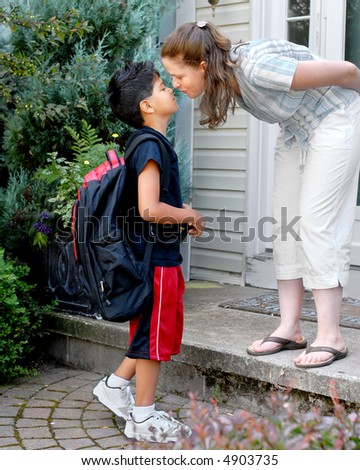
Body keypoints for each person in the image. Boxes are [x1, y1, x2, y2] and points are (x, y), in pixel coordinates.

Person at [161, 21, 360, 369]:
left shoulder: (255, 66)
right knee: (286, 225)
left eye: (179, 76)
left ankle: (331, 336)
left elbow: (348, 70)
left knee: (315, 222)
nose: (175, 85)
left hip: (336, 119)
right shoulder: (227, 79)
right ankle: (290, 327)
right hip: (297, 130)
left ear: (202, 65)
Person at [93, 61, 204, 442]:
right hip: (153, 262)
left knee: (150, 335)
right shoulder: (150, 145)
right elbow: (149, 209)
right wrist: (186, 212)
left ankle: (113, 386)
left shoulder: (149, 144)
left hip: (156, 259)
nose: (170, 88)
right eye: (161, 86)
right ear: (147, 106)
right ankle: (142, 417)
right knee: (153, 341)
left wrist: (180, 215)